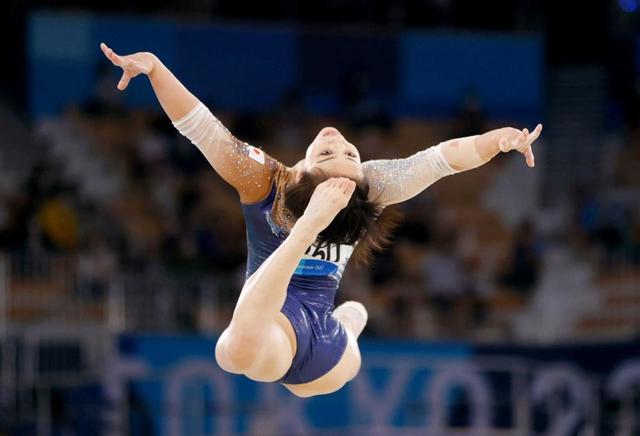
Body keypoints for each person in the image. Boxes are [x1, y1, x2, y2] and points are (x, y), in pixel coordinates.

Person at [100, 42, 543, 398]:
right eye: (347, 154)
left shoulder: (304, 185)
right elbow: (203, 128)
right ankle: (352, 319)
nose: (339, 142)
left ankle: (350, 320)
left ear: (310, 171)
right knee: (239, 349)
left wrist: (499, 141)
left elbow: (441, 160)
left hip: (323, 345)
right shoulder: (279, 182)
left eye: (339, 154)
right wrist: (155, 69)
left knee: (232, 353)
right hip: (290, 334)